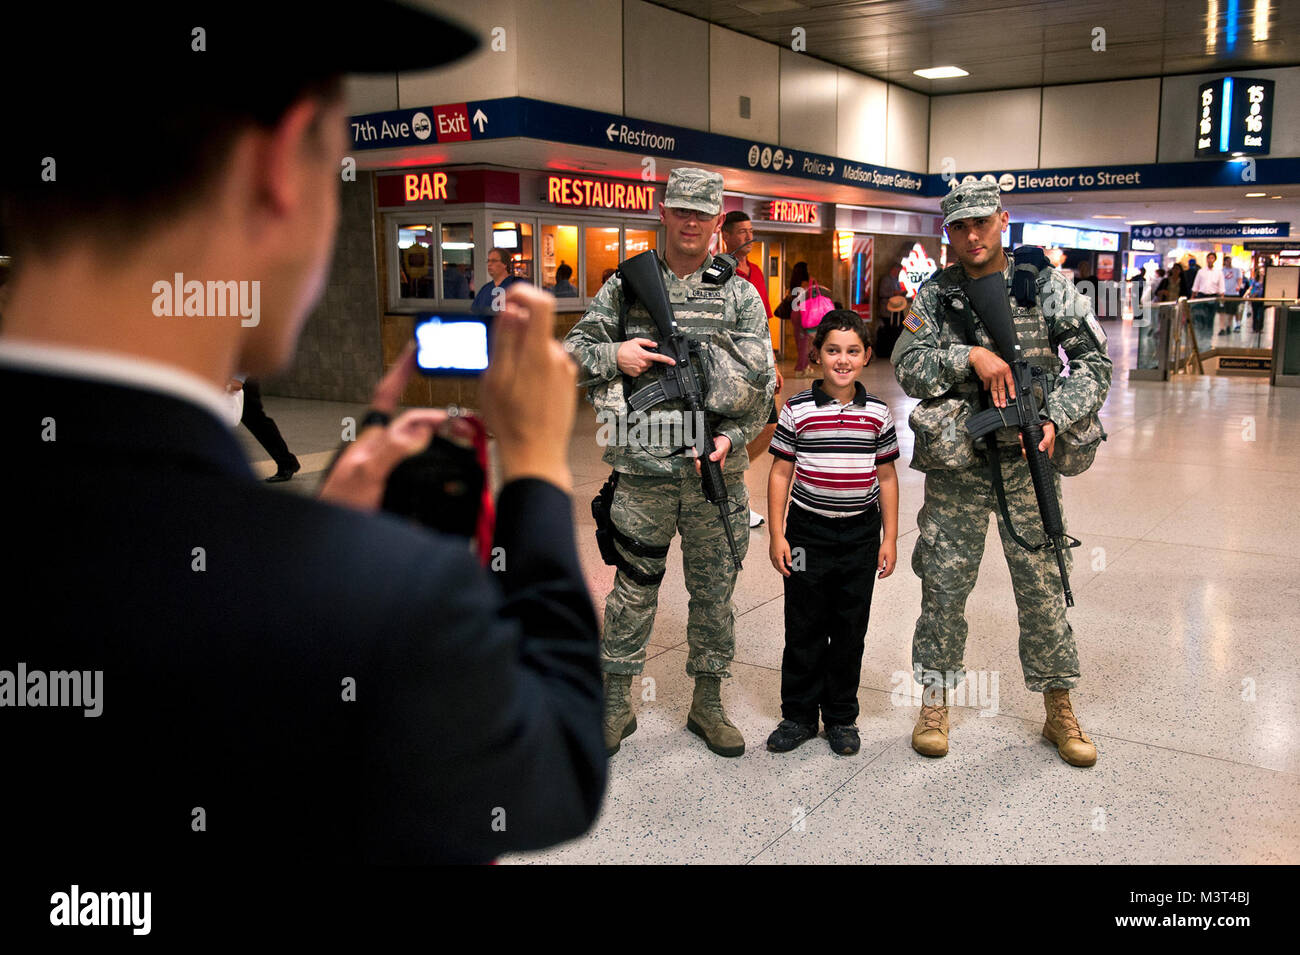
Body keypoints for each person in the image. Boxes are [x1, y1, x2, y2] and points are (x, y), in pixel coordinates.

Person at [0, 3, 606, 868]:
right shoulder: (375, 606)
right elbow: (554, 765)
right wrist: (539, 469)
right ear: (280, 170)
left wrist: (323, 532)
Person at [892, 179, 1112, 767]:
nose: (971, 236)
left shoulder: (1043, 286)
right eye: (959, 227)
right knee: (943, 587)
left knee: (1042, 592)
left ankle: (1059, 709)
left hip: (1026, 461)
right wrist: (968, 355)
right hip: (961, 463)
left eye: (981, 224)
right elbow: (908, 367)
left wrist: (1055, 419)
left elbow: (1095, 364)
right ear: (948, 232)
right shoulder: (936, 296)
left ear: (1003, 220)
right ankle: (934, 704)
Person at [564, 167, 775, 758]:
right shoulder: (626, 286)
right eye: (680, 210)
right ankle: (616, 704)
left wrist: (733, 438)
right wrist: (617, 351)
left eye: (702, 214)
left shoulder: (739, 294)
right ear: (663, 211)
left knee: (714, 593)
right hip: (644, 472)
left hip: (715, 473)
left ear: (717, 220)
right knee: (632, 589)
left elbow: (763, 387)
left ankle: (707, 703)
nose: (690, 222)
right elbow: (571, 355)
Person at [766, 310, 899, 756]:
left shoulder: (877, 413)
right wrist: (777, 535)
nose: (842, 360)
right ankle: (799, 715)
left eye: (852, 351)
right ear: (818, 355)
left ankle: (841, 717)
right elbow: (782, 472)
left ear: (866, 357)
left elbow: (887, 479)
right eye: (833, 350)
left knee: (848, 629)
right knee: (803, 624)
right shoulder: (798, 410)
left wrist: (890, 537)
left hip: (860, 536)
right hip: (806, 534)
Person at [720, 210, 784, 529]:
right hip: (729, 370)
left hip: (758, 367)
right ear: (726, 235)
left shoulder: (756, 271)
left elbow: (763, 324)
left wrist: (773, 363)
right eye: (742, 232)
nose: (748, 236)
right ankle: (733, 495)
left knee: (769, 426)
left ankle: (731, 479)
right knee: (736, 430)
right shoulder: (717, 272)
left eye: (751, 230)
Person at [232, 375, 302, 482]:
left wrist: (239, 378)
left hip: (238, 378)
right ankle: (287, 462)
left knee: (256, 421)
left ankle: (286, 463)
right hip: (221, 377)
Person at [472, 247, 526, 313]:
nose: (489, 264)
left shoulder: (517, 285)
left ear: (505, 264)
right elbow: (475, 311)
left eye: (494, 261)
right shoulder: (485, 289)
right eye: (488, 261)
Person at [1190, 250, 1224, 346]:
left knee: (1210, 319)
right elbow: (1196, 285)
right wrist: (1192, 297)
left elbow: (1221, 287)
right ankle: (1200, 337)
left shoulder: (1218, 272)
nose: (1210, 260)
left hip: (1212, 297)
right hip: (1202, 296)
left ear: (1214, 260)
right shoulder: (1201, 272)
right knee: (1201, 317)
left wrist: (1222, 299)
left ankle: (1208, 338)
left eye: (1212, 258)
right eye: (1208, 258)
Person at [1219, 255, 1244, 334]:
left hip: (1234, 293)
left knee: (1232, 311)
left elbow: (1239, 279)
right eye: (1227, 261)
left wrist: (1238, 286)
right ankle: (1223, 327)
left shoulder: (1236, 270)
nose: (1229, 263)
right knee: (1223, 311)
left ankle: (1229, 325)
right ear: (1224, 262)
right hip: (1224, 293)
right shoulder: (1221, 271)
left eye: (1230, 261)